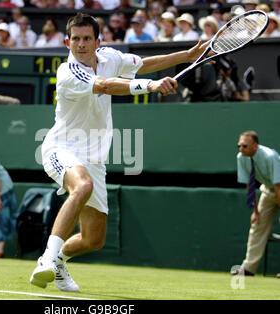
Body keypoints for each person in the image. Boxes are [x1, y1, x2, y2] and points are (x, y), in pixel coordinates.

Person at [30, 12, 209, 292]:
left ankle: (61, 260)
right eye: (75, 39)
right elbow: (104, 86)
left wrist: (184, 56)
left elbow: (143, 64)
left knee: (93, 239)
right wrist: (151, 86)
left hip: (95, 158)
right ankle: (47, 260)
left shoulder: (110, 58)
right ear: (67, 42)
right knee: (82, 186)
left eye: (87, 38)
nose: (81, 45)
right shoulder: (68, 72)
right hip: (62, 147)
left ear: (97, 41)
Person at [231, 131, 280, 277]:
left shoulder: (270, 156)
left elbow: (278, 186)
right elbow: (250, 185)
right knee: (257, 224)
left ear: (255, 146)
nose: (241, 148)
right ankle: (248, 268)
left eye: (244, 146)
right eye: (239, 145)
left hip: (278, 188)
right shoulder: (241, 158)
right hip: (268, 190)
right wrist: (256, 211)